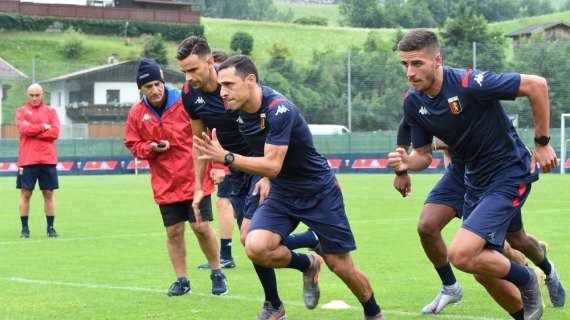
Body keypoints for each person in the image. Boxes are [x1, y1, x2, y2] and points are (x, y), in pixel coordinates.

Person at [194, 55, 384, 320]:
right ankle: (307, 264)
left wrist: (226, 158)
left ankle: (373, 313)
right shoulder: (237, 112)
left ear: (250, 81)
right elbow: (263, 155)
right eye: (220, 85)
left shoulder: (279, 110)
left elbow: (272, 164)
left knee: (341, 266)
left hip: (318, 191)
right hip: (282, 192)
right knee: (255, 246)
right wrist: (262, 176)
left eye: (228, 84)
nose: (222, 92)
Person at [388, 29, 560, 320]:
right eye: (404, 64)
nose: (410, 72)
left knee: (462, 254)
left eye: (417, 63)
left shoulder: (469, 83)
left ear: (437, 60)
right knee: (488, 266)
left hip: (508, 173)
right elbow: (422, 156)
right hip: (472, 179)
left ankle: (527, 277)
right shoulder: (414, 102)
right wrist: (405, 164)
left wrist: (542, 143)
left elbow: (536, 85)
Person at [176, 36, 319, 319]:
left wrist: (267, 175)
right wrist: (198, 186)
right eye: (184, 71)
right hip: (232, 169)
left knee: (249, 236)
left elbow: (269, 128)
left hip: (258, 166)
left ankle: (276, 301)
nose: (189, 77)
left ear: (209, 62)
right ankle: (303, 261)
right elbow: (199, 141)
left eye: (193, 70)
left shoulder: (234, 87)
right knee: (249, 241)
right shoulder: (189, 95)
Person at [394, 120, 563, 314]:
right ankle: (451, 287)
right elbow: (407, 125)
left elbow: (470, 131)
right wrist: (401, 169)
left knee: (514, 241)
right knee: (427, 226)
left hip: (496, 172)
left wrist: (432, 145)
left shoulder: (472, 94)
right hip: (460, 172)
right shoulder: (416, 101)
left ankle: (544, 272)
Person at [124, 58, 228, 297]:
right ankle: (182, 280)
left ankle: (217, 272)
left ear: (163, 82)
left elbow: (205, 134)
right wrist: (151, 148)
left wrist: (216, 164)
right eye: (148, 86)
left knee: (201, 227)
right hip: (165, 183)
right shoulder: (137, 113)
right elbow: (132, 143)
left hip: (194, 178)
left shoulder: (184, 101)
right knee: (173, 232)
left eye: (157, 84)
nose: (154, 90)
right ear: (141, 89)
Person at [16, 83, 60, 238]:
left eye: (37, 95)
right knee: (25, 193)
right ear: (27, 95)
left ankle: (50, 228)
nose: (34, 98)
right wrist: (43, 126)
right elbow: (23, 129)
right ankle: (25, 229)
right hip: (27, 160)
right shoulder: (21, 111)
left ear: (43, 95)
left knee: (48, 193)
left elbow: (55, 132)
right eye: (31, 95)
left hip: (47, 159)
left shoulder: (51, 111)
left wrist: (34, 131)